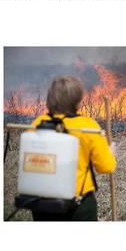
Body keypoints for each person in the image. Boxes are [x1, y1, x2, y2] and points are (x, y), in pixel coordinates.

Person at [30, 76, 117, 221]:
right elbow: (106, 167)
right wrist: (110, 154)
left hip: (41, 203)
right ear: (77, 101)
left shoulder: (37, 124)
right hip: (78, 205)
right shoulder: (88, 127)